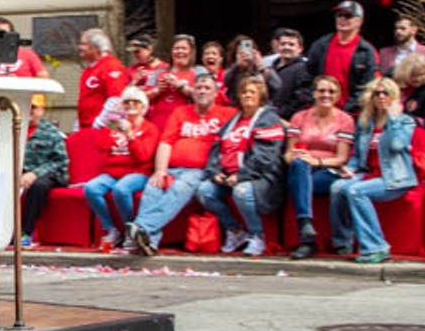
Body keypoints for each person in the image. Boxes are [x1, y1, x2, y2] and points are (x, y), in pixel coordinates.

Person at [125, 73, 236, 256]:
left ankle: (142, 227)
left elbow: (252, 118)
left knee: (180, 188)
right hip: (172, 168)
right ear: (193, 92)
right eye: (198, 87)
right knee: (153, 187)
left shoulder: (226, 114)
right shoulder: (181, 112)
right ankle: (149, 242)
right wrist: (160, 171)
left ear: (216, 93)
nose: (202, 91)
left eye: (207, 88)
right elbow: (165, 142)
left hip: (199, 170)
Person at [196, 77, 287, 257]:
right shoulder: (233, 120)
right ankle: (236, 231)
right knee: (204, 190)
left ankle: (257, 235)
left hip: (260, 177)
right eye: (244, 92)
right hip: (228, 176)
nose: (247, 96)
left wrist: (242, 175)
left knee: (242, 191)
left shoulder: (269, 118)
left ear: (260, 96)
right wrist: (215, 172)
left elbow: (266, 156)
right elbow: (216, 149)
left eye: (252, 92)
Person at [330, 79, 417, 264]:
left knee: (356, 191)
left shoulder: (405, 121)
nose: (381, 97)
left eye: (386, 93)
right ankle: (343, 241)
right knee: (338, 187)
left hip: (394, 178)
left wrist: (393, 119)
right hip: (368, 173)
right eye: (377, 93)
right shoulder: (365, 123)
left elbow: (397, 145)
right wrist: (350, 169)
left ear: (394, 97)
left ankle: (377, 247)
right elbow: (357, 155)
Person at [283, 75, 355, 260]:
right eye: (321, 90)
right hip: (300, 169)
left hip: (327, 171)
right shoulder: (299, 117)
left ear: (338, 95)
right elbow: (288, 154)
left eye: (331, 91)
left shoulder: (345, 120)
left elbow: (341, 158)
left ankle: (307, 239)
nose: (326, 95)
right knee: (300, 166)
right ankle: (306, 225)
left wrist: (317, 162)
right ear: (314, 93)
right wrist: (298, 157)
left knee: (303, 178)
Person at [82, 86, 159, 252]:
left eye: (136, 102)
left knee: (121, 189)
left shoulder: (149, 129)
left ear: (143, 107)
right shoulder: (114, 125)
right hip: (113, 172)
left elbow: (143, 157)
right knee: (90, 188)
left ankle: (131, 230)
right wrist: (112, 123)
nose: (131, 105)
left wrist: (130, 134)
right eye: (126, 102)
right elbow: (100, 146)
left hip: (138, 172)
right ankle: (111, 229)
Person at [305, 0, 378, 114]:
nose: (342, 19)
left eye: (348, 16)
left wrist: (348, 110)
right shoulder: (321, 45)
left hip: (352, 114)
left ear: (359, 21)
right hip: (319, 112)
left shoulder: (366, 51)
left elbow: (367, 87)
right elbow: (308, 76)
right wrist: (312, 101)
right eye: (339, 15)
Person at [17, 93, 69, 247]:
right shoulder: (14, 129)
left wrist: (34, 174)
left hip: (50, 174)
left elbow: (61, 161)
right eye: (27, 108)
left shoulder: (51, 132)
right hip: (21, 172)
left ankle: (26, 232)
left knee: (39, 186)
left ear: (41, 110)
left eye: (33, 108)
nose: (30, 111)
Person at [143, 33, 205, 131]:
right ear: (171, 52)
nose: (180, 51)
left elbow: (205, 97)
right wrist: (157, 90)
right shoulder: (160, 71)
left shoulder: (198, 71)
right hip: (157, 124)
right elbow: (142, 97)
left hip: (186, 125)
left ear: (192, 52)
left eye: (184, 48)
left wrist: (181, 86)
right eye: (176, 48)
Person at [76, 27, 128, 129]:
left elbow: (115, 98)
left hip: (101, 129)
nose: (80, 47)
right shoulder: (89, 69)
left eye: (84, 44)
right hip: (86, 127)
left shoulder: (111, 66)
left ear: (95, 47)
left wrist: (99, 123)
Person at [394, 54, 425, 146]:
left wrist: (401, 117)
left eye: (421, 75)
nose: (418, 79)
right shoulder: (395, 85)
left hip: (416, 138)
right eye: (413, 75)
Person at [223, 34, 281, 107]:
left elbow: (277, 86)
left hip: (261, 108)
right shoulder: (233, 71)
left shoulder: (264, 69)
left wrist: (261, 66)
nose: (246, 55)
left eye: (249, 52)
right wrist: (237, 66)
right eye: (241, 53)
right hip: (238, 108)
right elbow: (226, 81)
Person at [269, 28, 312, 120]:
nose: (286, 47)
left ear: (300, 48)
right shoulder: (271, 68)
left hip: (290, 121)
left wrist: (280, 113)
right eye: (283, 44)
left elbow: (301, 100)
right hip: (270, 117)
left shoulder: (304, 69)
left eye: (291, 44)